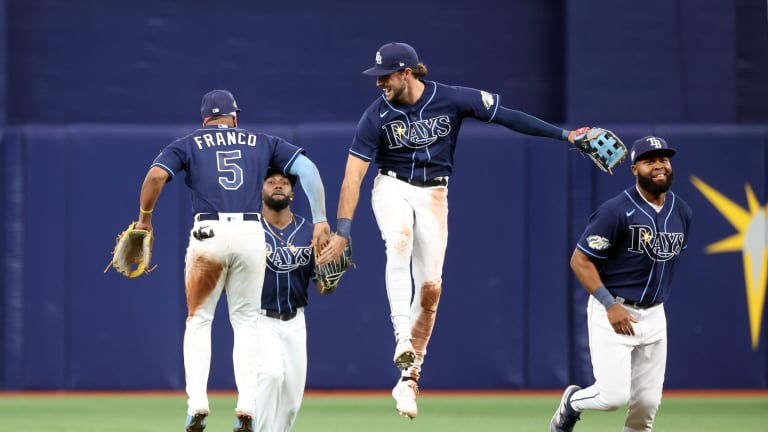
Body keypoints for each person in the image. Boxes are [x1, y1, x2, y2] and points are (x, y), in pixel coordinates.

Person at [316, 41, 604, 419]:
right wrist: (342, 230)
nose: (379, 82)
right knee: (399, 240)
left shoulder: (450, 98)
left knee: (432, 288)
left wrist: (565, 136)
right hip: (392, 185)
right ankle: (401, 334)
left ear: (407, 72)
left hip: (435, 192)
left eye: (386, 75)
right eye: (378, 76)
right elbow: (353, 177)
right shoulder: (375, 115)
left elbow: (509, 116)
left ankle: (408, 378)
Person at [133, 89, 330, 432]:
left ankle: (197, 403)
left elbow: (155, 177)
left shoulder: (189, 142)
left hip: (208, 233)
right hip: (252, 234)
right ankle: (248, 406)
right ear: (236, 117)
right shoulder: (263, 141)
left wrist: (145, 219)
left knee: (199, 321)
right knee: (246, 322)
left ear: (205, 119)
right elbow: (308, 169)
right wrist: (321, 218)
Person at [550, 136, 692, 432]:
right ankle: (573, 402)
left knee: (646, 407)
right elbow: (580, 261)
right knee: (612, 396)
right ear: (635, 169)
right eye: (649, 161)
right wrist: (609, 303)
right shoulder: (615, 211)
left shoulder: (682, 212)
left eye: (663, 160)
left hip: (654, 315)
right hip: (612, 311)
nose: (658, 166)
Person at [253, 167, 321, 432]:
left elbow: (324, 287)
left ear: (293, 193)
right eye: (271, 181)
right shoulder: (248, 230)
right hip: (260, 318)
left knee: (291, 403)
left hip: (295, 321)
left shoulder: (310, 231)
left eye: (284, 182)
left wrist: (330, 279)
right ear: (261, 190)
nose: (278, 185)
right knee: (270, 375)